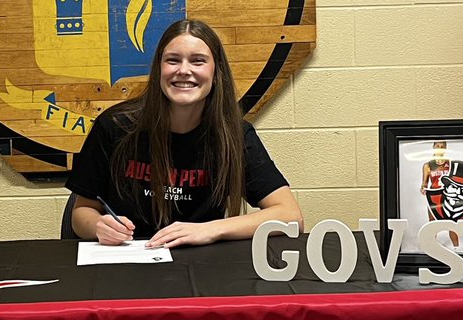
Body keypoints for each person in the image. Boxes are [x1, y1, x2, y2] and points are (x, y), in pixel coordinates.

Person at [66, 18, 302, 247]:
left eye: (198, 61)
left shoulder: (234, 134)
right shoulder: (115, 126)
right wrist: (99, 226)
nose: (184, 70)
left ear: (216, 73)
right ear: (159, 69)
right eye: (173, 60)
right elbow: (81, 213)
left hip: (202, 262)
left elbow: (291, 215)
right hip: (129, 259)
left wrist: (210, 229)